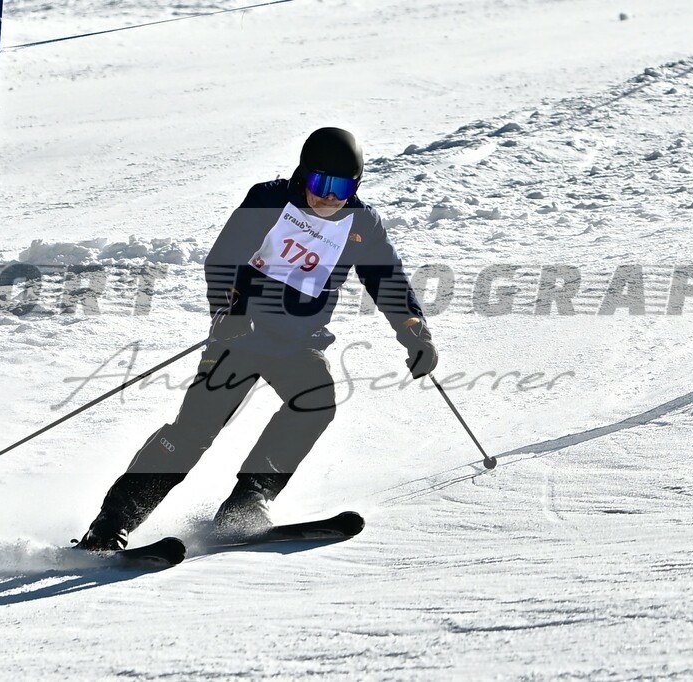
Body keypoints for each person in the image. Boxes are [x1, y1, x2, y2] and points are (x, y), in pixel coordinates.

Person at [75, 127, 438, 550]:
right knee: (194, 430)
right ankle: (111, 524)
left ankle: (247, 504)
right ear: (302, 174)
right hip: (242, 336)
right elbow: (224, 258)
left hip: (300, 342)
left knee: (316, 402)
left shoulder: (362, 222)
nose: (329, 196)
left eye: (342, 187)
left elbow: (388, 280)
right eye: (320, 182)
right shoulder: (268, 200)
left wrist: (414, 332)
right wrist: (227, 311)